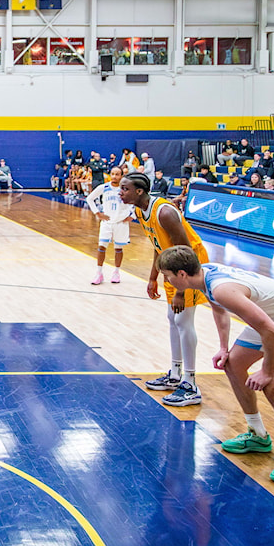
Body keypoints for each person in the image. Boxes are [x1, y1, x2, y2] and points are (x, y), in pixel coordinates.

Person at [157, 246, 274, 485]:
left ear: (182, 274)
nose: (167, 280)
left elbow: (272, 333)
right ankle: (257, 435)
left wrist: (266, 371)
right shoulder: (206, 276)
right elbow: (220, 311)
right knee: (232, 364)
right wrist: (224, 349)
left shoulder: (221, 289)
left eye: (167, 275)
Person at [119, 172, 208, 407]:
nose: (120, 192)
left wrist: (181, 290)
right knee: (173, 318)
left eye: (124, 189)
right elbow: (160, 246)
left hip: (190, 266)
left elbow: (185, 252)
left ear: (139, 191)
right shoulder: (140, 211)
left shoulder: (165, 212)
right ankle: (175, 374)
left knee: (183, 321)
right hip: (173, 266)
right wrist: (152, 278)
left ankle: (190, 384)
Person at [85, 166, 134, 285]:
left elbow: (135, 203)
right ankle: (99, 273)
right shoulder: (104, 187)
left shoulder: (126, 189)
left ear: (121, 176)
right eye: (112, 174)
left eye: (117, 174)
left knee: (118, 248)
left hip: (121, 223)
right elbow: (89, 199)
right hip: (107, 222)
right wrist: (97, 213)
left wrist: (133, 216)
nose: (114, 176)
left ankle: (116, 272)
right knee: (102, 246)